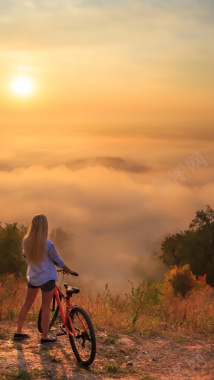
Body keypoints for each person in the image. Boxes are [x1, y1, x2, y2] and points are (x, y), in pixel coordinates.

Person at [13, 214, 78, 344]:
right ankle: (44, 336)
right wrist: (69, 270)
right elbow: (58, 261)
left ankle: (18, 332)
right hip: (47, 279)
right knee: (45, 307)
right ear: (45, 227)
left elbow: (25, 256)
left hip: (33, 277)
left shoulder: (26, 240)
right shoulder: (48, 243)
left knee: (27, 304)